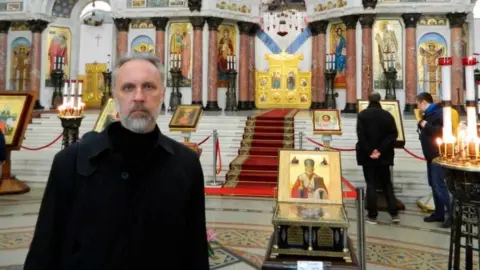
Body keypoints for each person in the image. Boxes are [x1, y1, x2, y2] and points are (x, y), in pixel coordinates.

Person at [24, 54, 209, 269]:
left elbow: (195, 251)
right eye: (128, 88)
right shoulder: (70, 162)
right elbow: (45, 247)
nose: (139, 97)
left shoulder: (186, 165)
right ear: (115, 96)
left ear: (162, 95)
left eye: (148, 87)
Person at [356, 92, 399, 224]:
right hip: (384, 156)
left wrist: (371, 151)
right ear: (380, 100)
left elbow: (361, 136)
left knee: (371, 184)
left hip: (367, 156)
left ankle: (372, 215)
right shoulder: (387, 115)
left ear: (368, 100)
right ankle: (394, 214)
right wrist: (380, 150)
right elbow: (393, 135)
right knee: (387, 184)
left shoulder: (362, 115)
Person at [416, 92, 451, 228]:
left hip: (438, 154)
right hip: (430, 155)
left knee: (439, 185)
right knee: (433, 184)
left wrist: (425, 125)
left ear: (424, 102)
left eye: (418, 104)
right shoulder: (430, 114)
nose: (418, 107)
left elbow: (442, 131)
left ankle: (452, 214)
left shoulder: (438, 113)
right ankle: (439, 213)